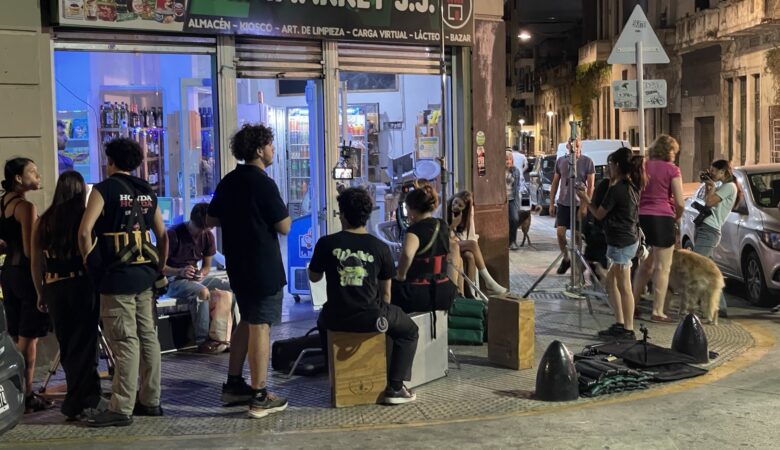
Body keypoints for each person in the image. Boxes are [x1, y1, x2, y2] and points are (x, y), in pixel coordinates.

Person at [78, 138, 168, 427]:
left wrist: (90, 263)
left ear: (111, 161)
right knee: (148, 337)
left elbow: (84, 232)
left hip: (116, 277)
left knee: (124, 341)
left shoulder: (103, 190)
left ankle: (120, 407)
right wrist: (159, 268)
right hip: (145, 275)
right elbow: (162, 235)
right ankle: (150, 400)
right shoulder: (147, 191)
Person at [207, 124, 290, 419]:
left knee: (247, 320)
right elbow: (284, 225)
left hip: (238, 264)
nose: (272, 150)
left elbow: (211, 218)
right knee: (260, 326)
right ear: (258, 149)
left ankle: (233, 385)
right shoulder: (264, 183)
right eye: (269, 145)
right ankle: (259, 394)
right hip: (263, 265)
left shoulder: (229, 181)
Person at [309, 187, 419, 404]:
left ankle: (334, 373)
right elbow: (386, 294)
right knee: (409, 331)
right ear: (367, 215)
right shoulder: (379, 247)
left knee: (321, 322)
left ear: (342, 214)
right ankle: (395, 387)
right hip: (371, 318)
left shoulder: (326, 243)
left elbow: (314, 278)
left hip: (335, 318)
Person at [31, 170, 105, 420]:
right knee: (86, 344)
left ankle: (81, 398)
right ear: (81, 191)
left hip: (54, 288)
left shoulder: (43, 221)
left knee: (68, 345)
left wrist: (40, 292)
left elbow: (36, 263)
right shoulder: (85, 219)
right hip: (81, 285)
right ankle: (81, 400)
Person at [577, 148, 644, 340]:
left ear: (617, 166)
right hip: (624, 240)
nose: (608, 168)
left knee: (624, 286)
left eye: (610, 164)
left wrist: (585, 198)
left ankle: (628, 329)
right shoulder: (630, 185)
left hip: (622, 242)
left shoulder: (618, 189)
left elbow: (599, 214)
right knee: (611, 283)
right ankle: (620, 324)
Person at [0, 157, 50, 413]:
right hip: (25, 275)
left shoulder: (3, 203)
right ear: (18, 178)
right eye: (33, 172)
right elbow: (31, 251)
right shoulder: (26, 207)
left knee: (16, 334)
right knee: (29, 339)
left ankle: (14, 392)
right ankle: (26, 393)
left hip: (8, 273)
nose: (38, 176)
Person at [163, 202, 234, 354]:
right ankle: (202, 341)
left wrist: (201, 273)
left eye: (206, 229)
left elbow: (207, 266)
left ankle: (228, 336)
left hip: (195, 279)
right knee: (202, 292)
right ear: (192, 221)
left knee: (231, 287)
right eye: (199, 228)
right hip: (173, 280)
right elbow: (160, 267)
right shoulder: (173, 234)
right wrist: (180, 272)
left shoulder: (207, 235)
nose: (202, 232)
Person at [632, 135, 685, 324]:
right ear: (668, 151)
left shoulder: (643, 166)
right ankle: (658, 311)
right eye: (674, 151)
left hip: (642, 217)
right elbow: (680, 202)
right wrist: (676, 217)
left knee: (647, 265)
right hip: (663, 218)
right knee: (663, 267)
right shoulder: (672, 169)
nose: (675, 155)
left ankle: (632, 304)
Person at [392, 184, 458, 314]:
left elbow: (407, 254)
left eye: (407, 209)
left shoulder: (414, 231)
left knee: (387, 289)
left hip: (419, 294)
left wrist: (400, 275)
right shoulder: (442, 225)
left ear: (413, 210)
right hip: (445, 292)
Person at [692, 160, 738, 317]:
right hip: (705, 228)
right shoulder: (722, 186)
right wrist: (709, 185)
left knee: (697, 266)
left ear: (722, 172)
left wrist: (711, 186)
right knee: (710, 270)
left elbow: (709, 202)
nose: (711, 173)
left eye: (713, 171)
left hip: (709, 231)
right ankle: (719, 306)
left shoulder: (729, 187)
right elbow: (708, 200)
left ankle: (702, 306)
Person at [548, 138, 596, 274]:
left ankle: (577, 264)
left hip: (578, 203)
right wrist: (551, 203)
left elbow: (591, 186)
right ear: (568, 146)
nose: (575, 147)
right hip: (563, 202)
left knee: (577, 235)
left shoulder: (587, 162)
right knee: (560, 233)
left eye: (577, 145)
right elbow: (555, 182)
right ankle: (566, 258)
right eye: (572, 145)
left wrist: (585, 206)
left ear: (580, 146)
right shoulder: (561, 161)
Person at [447, 191, 507, 295]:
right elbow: (442, 235)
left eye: (460, 206)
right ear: (453, 198)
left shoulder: (463, 216)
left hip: (456, 244)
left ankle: (470, 292)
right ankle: (489, 282)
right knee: (473, 245)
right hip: (446, 245)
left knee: (470, 255)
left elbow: (468, 236)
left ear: (464, 209)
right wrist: (453, 225)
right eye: (455, 202)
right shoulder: (445, 210)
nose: (455, 206)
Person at [506, 151, 524, 251]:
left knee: (514, 219)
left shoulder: (515, 171)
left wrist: (518, 201)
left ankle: (512, 241)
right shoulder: (499, 170)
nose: (508, 161)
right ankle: (505, 241)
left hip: (512, 198)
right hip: (502, 199)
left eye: (509, 159)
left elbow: (517, 186)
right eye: (506, 159)